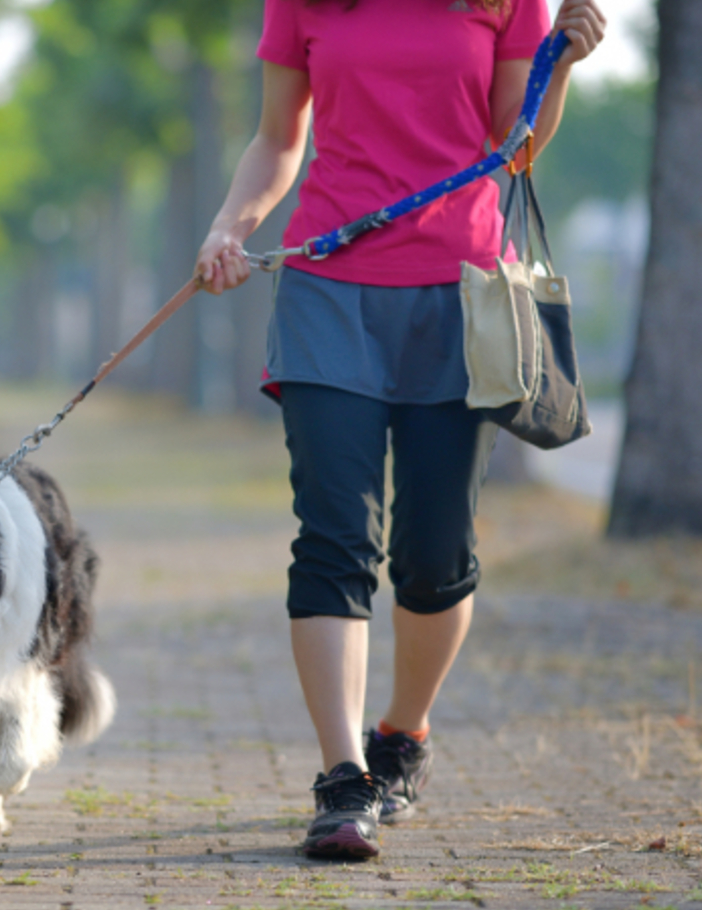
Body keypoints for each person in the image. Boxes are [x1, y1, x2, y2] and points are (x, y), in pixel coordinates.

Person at [195, 0, 605, 859]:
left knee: (434, 549)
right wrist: (231, 228)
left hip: (459, 295)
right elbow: (278, 138)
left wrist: (557, 63)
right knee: (334, 535)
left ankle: (402, 737)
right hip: (326, 285)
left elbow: (514, 147)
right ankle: (343, 780)